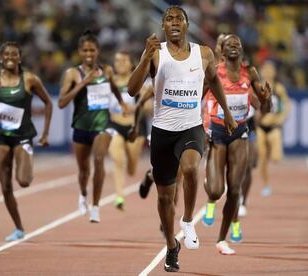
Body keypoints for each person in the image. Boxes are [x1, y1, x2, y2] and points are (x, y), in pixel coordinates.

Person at [128, 6, 237, 272]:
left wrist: (227, 112)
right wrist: (145, 58)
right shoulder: (156, 52)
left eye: (179, 19)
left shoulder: (204, 53)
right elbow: (131, 90)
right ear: (163, 26)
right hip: (163, 132)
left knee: (189, 168)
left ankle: (187, 220)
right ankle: (171, 246)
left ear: (187, 24)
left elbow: (214, 81)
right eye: (169, 19)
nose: (174, 22)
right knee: (165, 198)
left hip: (191, 128)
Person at [202, 34, 271, 255]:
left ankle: (222, 239)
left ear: (241, 50)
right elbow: (198, 99)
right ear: (223, 51)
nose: (233, 46)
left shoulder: (249, 72)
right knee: (215, 190)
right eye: (229, 44)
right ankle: (209, 184)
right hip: (218, 132)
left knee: (234, 189)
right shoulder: (214, 71)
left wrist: (267, 99)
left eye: (237, 44)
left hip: (240, 132)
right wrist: (199, 127)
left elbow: (264, 109)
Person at [0, 41, 53, 241]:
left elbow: (48, 102)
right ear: (1, 58)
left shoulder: (29, 79)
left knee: (24, 181)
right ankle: (19, 228)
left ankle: (27, 157)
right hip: (1, 136)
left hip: (23, 135)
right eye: (6, 55)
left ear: (19, 58)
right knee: (5, 186)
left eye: (14, 54)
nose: (10, 57)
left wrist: (45, 134)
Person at [58, 30, 128, 223]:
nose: (89, 54)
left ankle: (96, 206)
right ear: (80, 52)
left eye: (92, 50)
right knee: (84, 171)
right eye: (85, 50)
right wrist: (82, 84)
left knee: (99, 159)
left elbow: (113, 87)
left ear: (97, 51)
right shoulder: (73, 73)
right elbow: (62, 102)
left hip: (102, 125)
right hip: (81, 126)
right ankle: (83, 194)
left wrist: (121, 102)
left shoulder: (106, 70)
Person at [108, 51, 150, 210]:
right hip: (115, 125)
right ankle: (119, 196)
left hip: (135, 129)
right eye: (117, 60)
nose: (119, 63)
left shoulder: (138, 83)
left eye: (124, 60)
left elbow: (148, 106)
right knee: (116, 157)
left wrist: (132, 108)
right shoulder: (110, 82)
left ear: (131, 64)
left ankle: (132, 167)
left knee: (131, 168)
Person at [257, 60, 291, 197]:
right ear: (261, 71)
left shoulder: (278, 88)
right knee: (263, 158)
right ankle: (266, 185)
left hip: (274, 126)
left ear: (274, 72)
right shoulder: (258, 87)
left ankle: (273, 150)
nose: (268, 72)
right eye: (265, 69)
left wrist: (282, 117)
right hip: (261, 127)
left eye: (270, 69)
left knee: (276, 157)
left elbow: (287, 104)